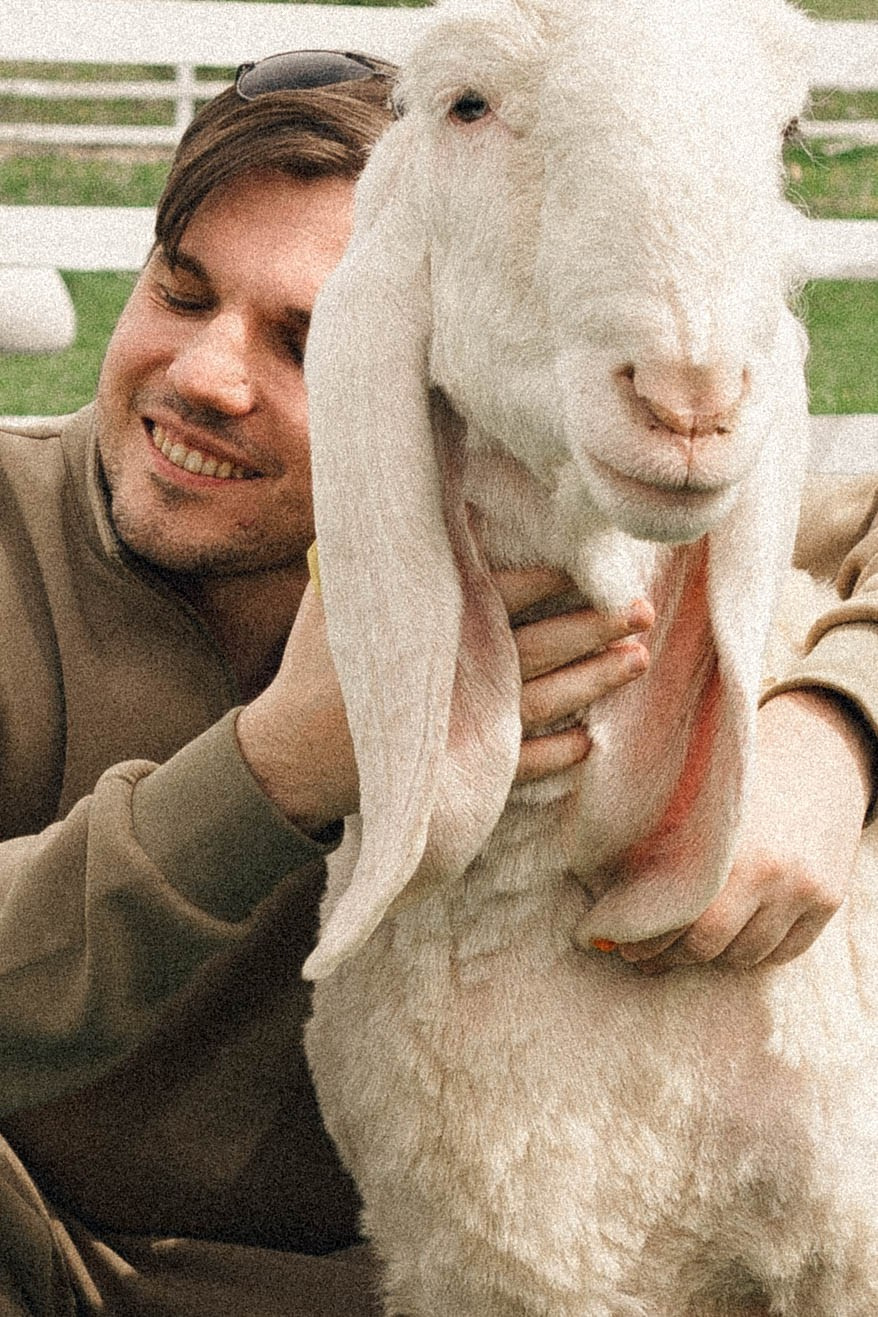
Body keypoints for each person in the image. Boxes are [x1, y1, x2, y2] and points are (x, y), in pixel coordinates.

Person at [0, 50, 875, 1316]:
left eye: (305, 342)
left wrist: (831, 727)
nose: (205, 376)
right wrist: (278, 770)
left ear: (436, 370)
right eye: (180, 294)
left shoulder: (556, 554)